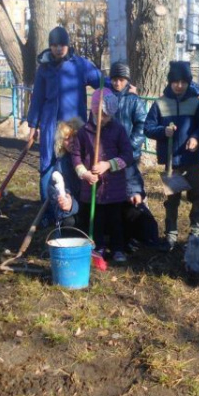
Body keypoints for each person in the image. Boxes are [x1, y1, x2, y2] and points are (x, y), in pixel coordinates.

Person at [27, 26, 106, 217]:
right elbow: (37, 98)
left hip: (72, 127)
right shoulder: (44, 68)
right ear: (50, 47)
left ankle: (74, 208)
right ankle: (47, 213)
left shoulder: (80, 65)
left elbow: (101, 82)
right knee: (47, 167)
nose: (58, 49)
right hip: (49, 126)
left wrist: (123, 86)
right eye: (54, 45)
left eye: (61, 45)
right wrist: (32, 126)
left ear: (67, 45)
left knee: (73, 164)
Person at [144, 60, 199, 252]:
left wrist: (196, 137)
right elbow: (148, 128)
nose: (179, 85)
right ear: (170, 82)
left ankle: (196, 233)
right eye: (175, 82)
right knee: (172, 201)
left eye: (183, 82)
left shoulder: (196, 103)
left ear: (188, 82)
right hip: (173, 162)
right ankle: (170, 235)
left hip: (192, 159)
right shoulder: (160, 103)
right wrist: (163, 131)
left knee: (197, 197)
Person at [70, 88, 133, 264]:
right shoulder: (83, 132)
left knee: (115, 220)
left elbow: (127, 155)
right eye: (99, 114)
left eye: (106, 115)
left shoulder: (118, 130)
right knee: (95, 219)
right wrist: (85, 174)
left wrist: (108, 164)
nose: (102, 119)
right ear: (92, 110)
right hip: (93, 188)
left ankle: (118, 248)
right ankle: (98, 247)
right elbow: (76, 157)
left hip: (113, 187)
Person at [108, 60, 159, 249]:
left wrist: (129, 146)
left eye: (121, 80)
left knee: (130, 186)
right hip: (110, 153)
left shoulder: (134, 100)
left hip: (129, 152)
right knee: (114, 190)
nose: (117, 84)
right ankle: (117, 227)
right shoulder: (107, 98)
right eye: (114, 80)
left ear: (127, 80)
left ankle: (139, 227)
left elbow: (141, 125)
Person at [46, 117, 85, 229]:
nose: (71, 141)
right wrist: (65, 201)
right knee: (69, 222)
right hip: (71, 210)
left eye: (74, 136)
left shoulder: (89, 160)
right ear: (62, 143)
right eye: (67, 138)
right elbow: (53, 189)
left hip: (89, 208)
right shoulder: (61, 164)